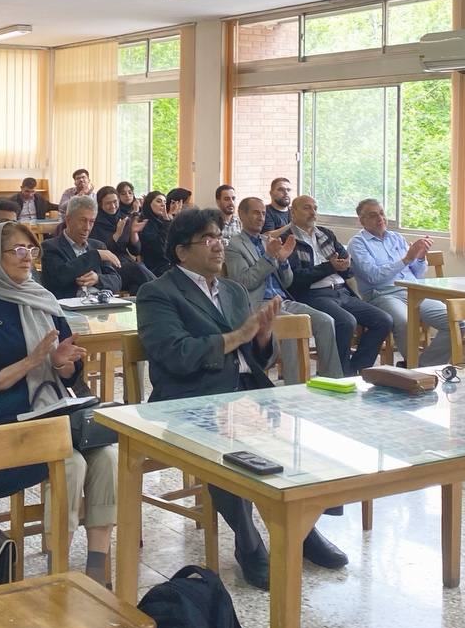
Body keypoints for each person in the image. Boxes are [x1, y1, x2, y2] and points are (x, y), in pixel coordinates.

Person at [136, 207, 347, 590]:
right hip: (190, 399)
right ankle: (248, 542)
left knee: (310, 430)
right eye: (208, 239)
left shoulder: (232, 291)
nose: (218, 245)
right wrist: (238, 337)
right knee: (228, 444)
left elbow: (258, 358)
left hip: (248, 391)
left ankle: (304, 528)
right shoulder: (158, 293)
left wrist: (262, 337)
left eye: (219, 236)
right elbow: (176, 354)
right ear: (182, 252)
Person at [0, 221, 114, 586]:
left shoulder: (45, 300)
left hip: (57, 416)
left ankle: (96, 570)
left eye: (31, 249)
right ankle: (58, 571)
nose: (27, 257)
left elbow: (69, 376)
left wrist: (60, 363)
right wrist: (31, 361)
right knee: (70, 463)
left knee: (107, 456)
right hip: (7, 426)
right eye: (17, 250)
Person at [225, 197, 349, 378]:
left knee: (325, 321)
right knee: (292, 324)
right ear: (242, 215)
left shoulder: (269, 241)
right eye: (255, 213)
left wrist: (283, 262)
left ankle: (333, 380)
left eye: (263, 213)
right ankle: (295, 386)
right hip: (258, 304)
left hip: (283, 300)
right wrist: (269, 258)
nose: (260, 217)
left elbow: (288, 281)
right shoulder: (235, 245)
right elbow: (244, 282)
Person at [287, 195, 391, 376]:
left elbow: (345, 264)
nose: (313, 212)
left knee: (383, 320)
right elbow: (295, 279)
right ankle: (340, 375)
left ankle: (355, 369)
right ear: (293, 212)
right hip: (314, 295)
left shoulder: (326, 234)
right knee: (346, 322)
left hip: (342, 291)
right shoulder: (288, 240)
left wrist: (344, 266)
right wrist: (330, 267)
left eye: (315, 208)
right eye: (307, 208)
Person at [347, 198, 456, 365]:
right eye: (373, 215)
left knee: (456, 322)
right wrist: (407, 259)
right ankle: (414, 366)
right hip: (383, 294)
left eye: (382, 213)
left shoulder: (396, 238)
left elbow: (417, 273)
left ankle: (420, 367)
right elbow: (373, 276)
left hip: (414, 291)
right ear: (362, 221)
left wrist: (420, 258)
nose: (380, 218)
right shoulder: (357, 243)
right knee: (405, 322)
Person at [42, 197, 146, 299]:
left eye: (91, 222)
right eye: (82, 220)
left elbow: (116, 281)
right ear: (68, 220)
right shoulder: (50, 247)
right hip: (70, 305)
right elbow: (59, 277)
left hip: (101, 304)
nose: (87, 227)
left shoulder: (98, 246)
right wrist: (95, 255)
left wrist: (98, 279)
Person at [94, 186, 146, 264]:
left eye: (115, 202)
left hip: (124, 260)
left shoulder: (124, 218)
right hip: (106, 262)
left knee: (140, 267)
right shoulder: (94, 222)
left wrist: (133, 233)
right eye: (108, 203)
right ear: (100, 204)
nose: (113, 206)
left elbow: (135, 251)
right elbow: (99, 250)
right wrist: (117, 234)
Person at [138, 191, 173, 277]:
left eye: (164, 202)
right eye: (158, 201)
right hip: (155, 267)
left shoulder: (162, 221)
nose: (163, 205)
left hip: (168, 263)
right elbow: (160, 248)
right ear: (149, 203)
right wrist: (166, 222)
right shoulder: (144, 223)